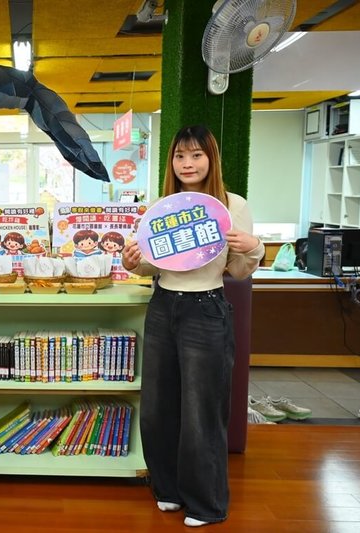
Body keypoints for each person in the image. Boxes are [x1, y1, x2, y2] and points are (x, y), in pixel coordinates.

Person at [121, 125, 264, 528]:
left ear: (211, 159)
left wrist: (255, 248)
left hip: (206, 309)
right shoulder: (163, 206)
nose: (187, 163)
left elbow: (237, 269)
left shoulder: (232, 204)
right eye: (180, 156)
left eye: (196, 155)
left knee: (202, 411)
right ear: (172, 162)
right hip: (163, 305)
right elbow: (154, 263)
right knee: (157, 408)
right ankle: (167, 489)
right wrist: (134, 263)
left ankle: (206, 504)